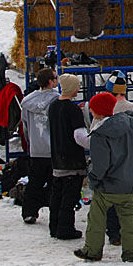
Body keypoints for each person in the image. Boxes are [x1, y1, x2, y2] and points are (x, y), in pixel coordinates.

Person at [74, 92, 133, 263]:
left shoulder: (100, 134)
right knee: (129, 218)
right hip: (130, 181)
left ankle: (92, 250)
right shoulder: (129, 124)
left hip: (108, 185)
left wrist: (93, 178)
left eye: (92, 109)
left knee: (97, 218)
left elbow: (101, 165)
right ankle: (132, 252)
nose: (90, 111)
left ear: (98, 112)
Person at [48, 73, 87, 240]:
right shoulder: (72, 110)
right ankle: (65, 228)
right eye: (77, 86)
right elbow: (79, 135)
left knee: (57, 194)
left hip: (57, 156)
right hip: (72, 159)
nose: (78, 89)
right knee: (69, 197)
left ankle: (54, 226)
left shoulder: (54, 106)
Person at [19, 68, 59, 226]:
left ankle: (29, 212)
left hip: (36, 148)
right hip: (52, 149)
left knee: (34, 182)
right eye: (55, 78)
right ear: (50, 81)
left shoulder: (28, 101)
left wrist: (30, 142)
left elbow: (25, 125)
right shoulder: (57, 99)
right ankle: (54, 211)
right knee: (55, 184)